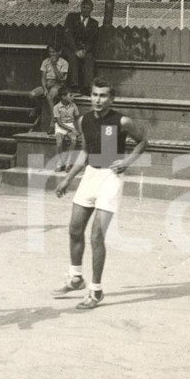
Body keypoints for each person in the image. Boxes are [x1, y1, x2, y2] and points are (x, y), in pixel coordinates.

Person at [53, 78, 148, 309]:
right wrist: (68, 178)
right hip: (91, 176)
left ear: (111, 98)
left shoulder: (121, 121)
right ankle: (76, 277)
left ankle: (95, 290)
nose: (97, 99)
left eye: (103, 95)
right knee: (75, 228)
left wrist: (127, 161)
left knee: (96, 236)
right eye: (95, 95)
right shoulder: (84, 119)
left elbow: (143, 141)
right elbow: (85, 151)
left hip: (111, 179)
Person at [29, 44, 69, 132]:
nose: (52, 54)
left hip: (57, 85)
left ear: (59, 52)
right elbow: (43, 77)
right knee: (31, 94)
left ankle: (53, 120)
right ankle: (38, 107)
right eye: (50, 52)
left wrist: (54, 65)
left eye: (54, 52)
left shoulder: (64, 63)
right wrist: (45, 88)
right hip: (46, 84)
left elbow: (60, 78)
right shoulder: (45, 62)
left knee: (50, 97)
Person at [62, 0, 99, 93]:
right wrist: (76, 50)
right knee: (73, 58)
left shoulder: (94, 23)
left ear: (92, 10)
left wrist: (85, 50)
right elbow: (68, 36)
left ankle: (87, 87)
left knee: (89, 58)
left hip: (84, 50)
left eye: (88, 8)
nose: (85, 10)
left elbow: (92, 41)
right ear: (80, 7)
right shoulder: (71, 18)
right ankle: (74, 86)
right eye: (83, 7)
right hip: (71, 48)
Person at [52, 86, 80, 172]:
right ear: (63, 97)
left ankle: (68, 163)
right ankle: (60, 163)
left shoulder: (73, 106)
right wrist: (71, 129)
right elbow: (59, 123)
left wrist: (78, 130)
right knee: (59, 142)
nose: (73, 97)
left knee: (74, 139)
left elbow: (77, 118)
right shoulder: (56, 107)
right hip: (60, 127)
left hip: (70, 125)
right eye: (70, 95)